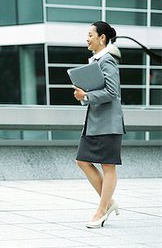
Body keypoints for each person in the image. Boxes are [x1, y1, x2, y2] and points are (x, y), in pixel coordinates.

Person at [73, 21, 125, 229]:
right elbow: (97, 94)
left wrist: (86, 94)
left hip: (108, 123)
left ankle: (102, 210)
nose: (87, 38)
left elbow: (113, 93)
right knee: (82, 161)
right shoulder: (96, 60)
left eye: (90, 34)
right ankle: (109, 202)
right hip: (95, 123)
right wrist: (84, 97)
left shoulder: (107, 61)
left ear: (101, 38)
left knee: (108, 166)